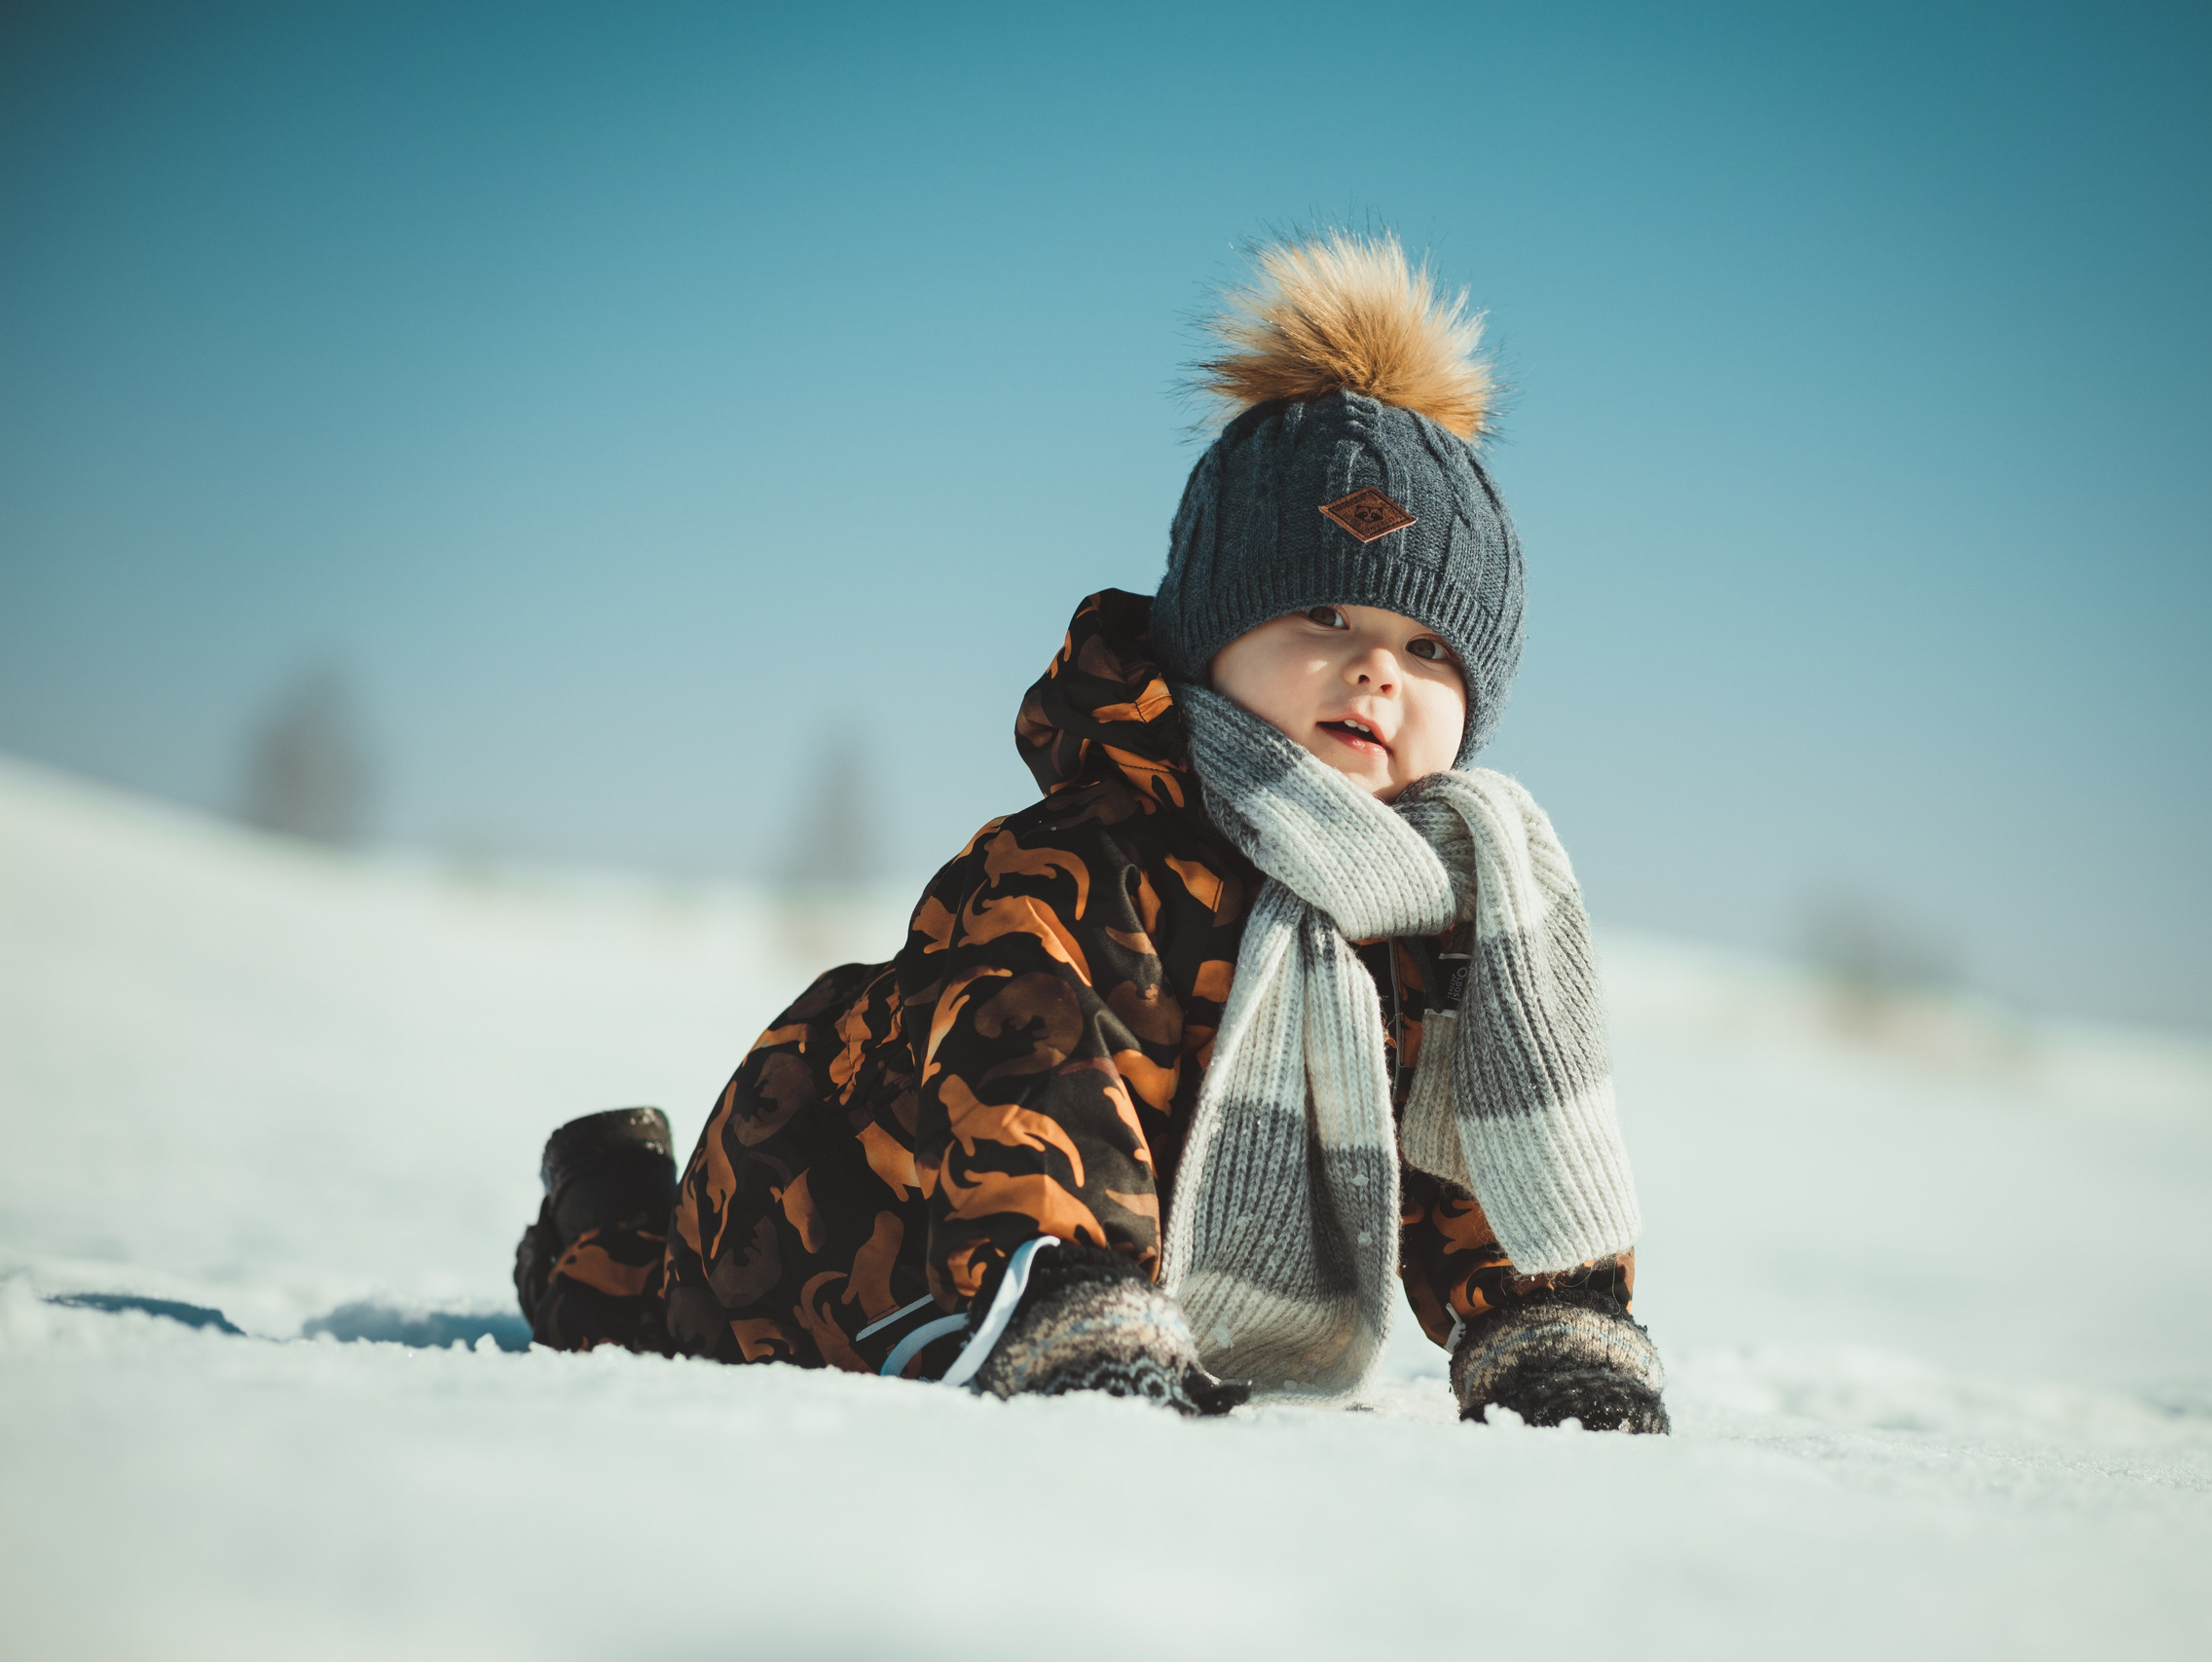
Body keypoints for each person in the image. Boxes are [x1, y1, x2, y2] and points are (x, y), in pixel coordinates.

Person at [512, 231, 1667, 1432]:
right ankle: (608, 1193)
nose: (1377, 668)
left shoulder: (1435, 920)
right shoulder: (1081, 861)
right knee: (631, 1305)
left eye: (1430, 647)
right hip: (828, 1236)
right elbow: (1025, 1071)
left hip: (1088, 1286)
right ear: (1208, 640)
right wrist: (1076, 1289)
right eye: (1324, 612)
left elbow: (1484, 1125)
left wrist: (1549, 1318)